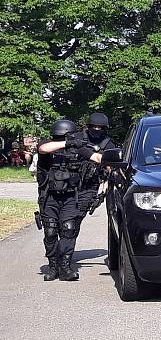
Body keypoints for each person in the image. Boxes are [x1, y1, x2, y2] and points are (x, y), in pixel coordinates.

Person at [36, 119, 103, 281]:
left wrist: (115, 160)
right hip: (49, 197)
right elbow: (43, 148)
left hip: (70, 197)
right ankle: (53, 267)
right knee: (50, 232)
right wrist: (66, 143)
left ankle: (65, 267)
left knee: (68, 229)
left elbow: (97, 158)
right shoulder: (48, 145)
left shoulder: (78, 148)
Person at [70, 113, 116, 219]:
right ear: (88, 126)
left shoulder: (108, 144)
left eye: (100, 127)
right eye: (94, 127)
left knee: (76, 219)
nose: (96, 129)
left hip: (90, 186)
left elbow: (109, 171)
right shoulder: (76, 138)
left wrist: (103, 193)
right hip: (70, 183)